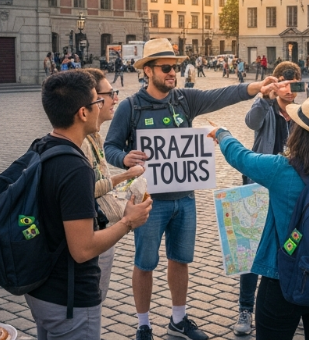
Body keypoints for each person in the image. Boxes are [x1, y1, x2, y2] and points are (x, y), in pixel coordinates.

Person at [104, 38, 278, 340]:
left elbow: (222, 94)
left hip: (184, 198)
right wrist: (124, 157)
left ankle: (178, 320)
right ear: (148, 70)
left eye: (177, 66)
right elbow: (110, 147)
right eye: (167, 67)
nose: (174, 72)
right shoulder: (130, 107)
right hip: (148, 203)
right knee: (144, 264)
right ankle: (143, 325)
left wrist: (257, 87)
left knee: (180, 260)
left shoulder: (184, 99)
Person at [210, 92, 309, 340]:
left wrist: (222, 134)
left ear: (299, 131)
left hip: (281, 278)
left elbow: (241, 157)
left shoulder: (281, 169)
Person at [25, 70, 151, 339]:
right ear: (83, 112)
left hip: (42, 290)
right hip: (70, 300)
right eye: (97, 101)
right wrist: (130, 220)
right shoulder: (74, 166)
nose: (103, 106)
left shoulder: (42, 146)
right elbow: (82, 249)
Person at [232, 62, 301, 336]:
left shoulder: (301, 114)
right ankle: (246, 308)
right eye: (285, 84)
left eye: (295, 84)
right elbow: (251, 122)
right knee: (252, 249)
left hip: (289, 191)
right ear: (277, 84)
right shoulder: (267, 107)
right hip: (259, 187)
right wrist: (264, 97)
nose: (290, 90)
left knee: (291, 246)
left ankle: (293, 301)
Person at [81, 69, 147, 303]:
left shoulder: (94, 134)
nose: (116, 98)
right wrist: (124, 176)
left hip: (102, 229)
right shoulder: (82, 141)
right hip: (93, 234)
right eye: (111, 93)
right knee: (92, 303)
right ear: (94, 99)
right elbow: (87, 188)